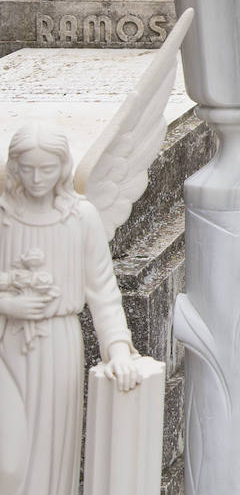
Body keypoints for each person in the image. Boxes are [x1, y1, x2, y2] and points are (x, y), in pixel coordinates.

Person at [0, 127, 141, 495]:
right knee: (8, 457)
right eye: (27, 168)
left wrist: (119, 349)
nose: (36, 178)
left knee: (51, 445)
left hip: (58, 346)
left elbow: (103, 291)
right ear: (13, 167)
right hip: (6, 346)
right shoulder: (3, 216)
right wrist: (8, 303)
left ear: (62, 168)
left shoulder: (81, 217)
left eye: (46, 169)